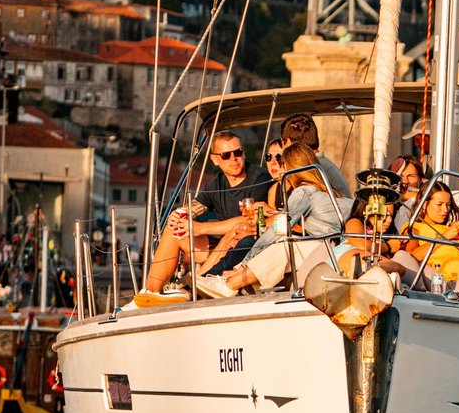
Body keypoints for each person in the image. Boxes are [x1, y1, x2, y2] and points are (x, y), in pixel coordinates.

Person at [135, 130, 267, 306]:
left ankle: (190, 290)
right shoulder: (216, 184)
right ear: (214, 159)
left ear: (244, 153)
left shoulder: (259, 178)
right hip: (221, 249)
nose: (234, 158)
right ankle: (150, 292)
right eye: (226, 155)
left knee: (236, 231)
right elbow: (195, 207)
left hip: (246, 246)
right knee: (175, 230)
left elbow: (249, 221)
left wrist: (201, 228)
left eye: (238, 152)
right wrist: (179, 215)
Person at [201, 144, 353, 297]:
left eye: (283, 165)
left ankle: (230, 284)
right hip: (331, 245)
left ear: (292, 168)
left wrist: (246, 261)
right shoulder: (326, 190)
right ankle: (233, 280)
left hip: (328, 248)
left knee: (283, 244)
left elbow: (278, 229)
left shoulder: (303, 192)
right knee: (285, 242)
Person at [279, 113, 352, 197]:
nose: (283, 150)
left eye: (283, 143)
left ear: (293, 144)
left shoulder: (314, 168)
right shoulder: (321, 165)